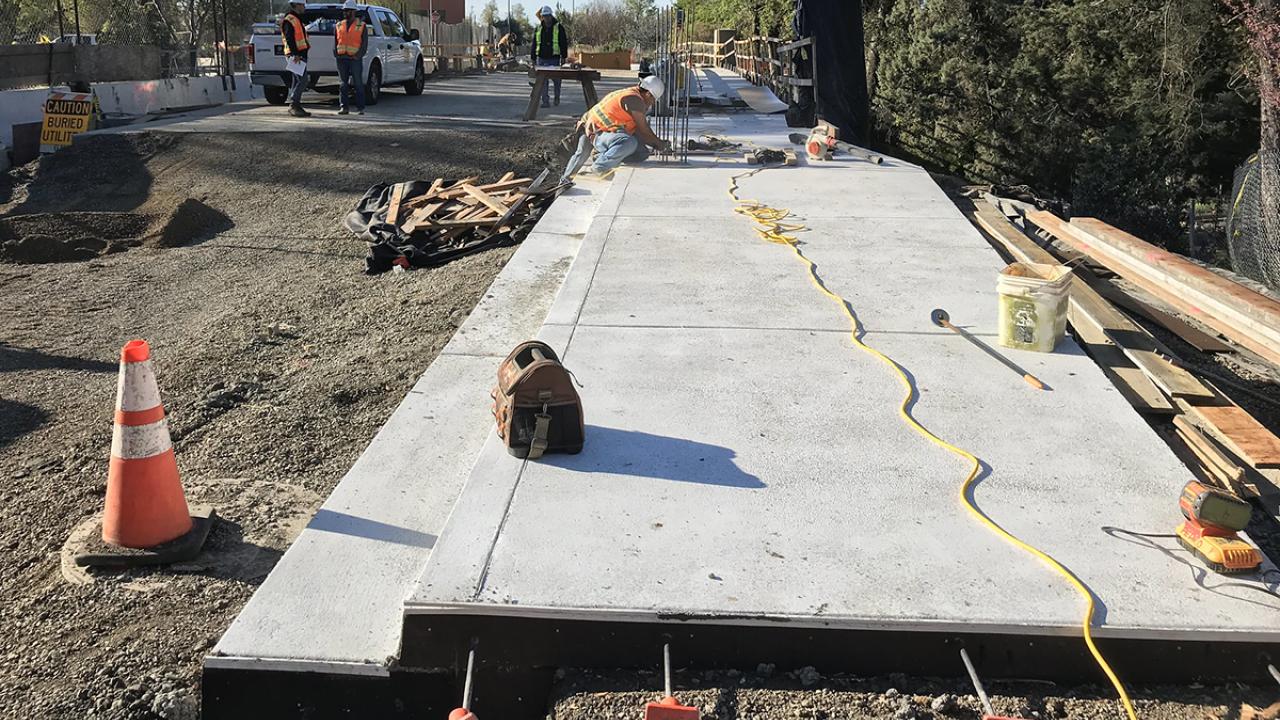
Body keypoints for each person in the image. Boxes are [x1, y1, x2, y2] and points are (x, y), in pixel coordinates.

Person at [560, 75, 670, 183]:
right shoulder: (634, 100)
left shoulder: (631, 94)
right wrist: (660, 144)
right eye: (653, 99)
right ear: (648, 94)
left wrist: (656, 144)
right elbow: (644, 130)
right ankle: (599, 167)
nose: (652, 103)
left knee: (641, 153)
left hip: (600, 131)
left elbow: (640, 133)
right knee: (629, 142)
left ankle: (598, 157)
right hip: (597, 132)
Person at [333, 0, 367, 115]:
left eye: (347, 11)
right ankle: (344, 107)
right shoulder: (339, 25)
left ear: (353, 12)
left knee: (358, 83)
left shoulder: (361, 25)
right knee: (343, 84)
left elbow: (364, 44)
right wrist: (336, 53)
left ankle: (360, 108)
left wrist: (358, 55)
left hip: (355, 59)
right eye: (344, 11)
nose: (345, 13)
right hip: (342, 58)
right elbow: (335, 41)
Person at [531, 5, 569, 108]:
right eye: (544, 16)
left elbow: (563, 43)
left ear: (551, 16)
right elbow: (534, 44)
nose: (546, 18)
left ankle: (556, 97)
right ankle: (545, 101)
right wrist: (533, 58)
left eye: (548, 16)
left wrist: (564, 57)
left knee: (556, 80)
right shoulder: (538, 29)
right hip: (541, 59)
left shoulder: (558, 27)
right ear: (542, 17)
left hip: (554, 58)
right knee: (543, 81)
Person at [280, 0, 311, 118]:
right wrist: (295, 54)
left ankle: (296, 106)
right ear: (296, 5)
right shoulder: (290, 20)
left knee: (296, 80)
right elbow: (289, 38)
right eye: (302, 5)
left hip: (299, 55)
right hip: (295, 56)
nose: (304, 7)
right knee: (303, 80)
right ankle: (294, 104)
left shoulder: (296, 19)